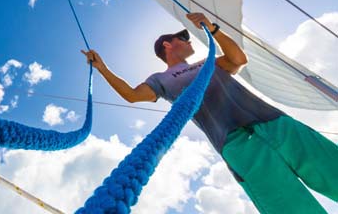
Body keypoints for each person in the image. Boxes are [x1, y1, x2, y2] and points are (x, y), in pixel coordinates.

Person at [81, 12, 338, 214]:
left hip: (275, 122)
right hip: (235, 144)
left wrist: (212, 28)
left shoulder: (208, 63)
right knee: (289, 208)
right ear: (168, 45)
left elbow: (238, 59)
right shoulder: (160, 79)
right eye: (183, 38)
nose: (189, 40)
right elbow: (132, 95)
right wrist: (102, 67)